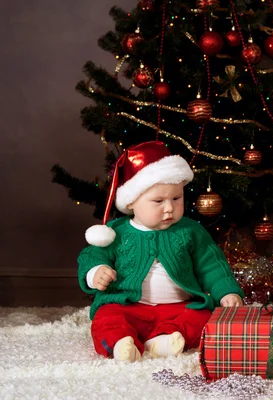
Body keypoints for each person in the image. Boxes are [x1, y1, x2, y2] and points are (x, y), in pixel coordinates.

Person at [78, 141, 244, 362]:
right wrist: (96, 272)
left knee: (204, 317)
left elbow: (211, 265)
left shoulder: (190, 231)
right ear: (132, 202)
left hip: (178, 307)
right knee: (106, 317)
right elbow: (91, 256)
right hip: (127, 305)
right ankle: (120, 342)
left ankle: (166, 339)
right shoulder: (115, 232)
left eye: (176, 198)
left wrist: (226, 292)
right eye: (158, 201)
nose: (169, 208)